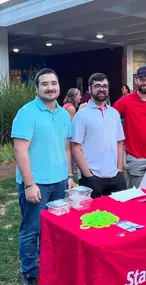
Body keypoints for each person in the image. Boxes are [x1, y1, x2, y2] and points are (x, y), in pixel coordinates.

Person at [11, 68, 75, 285]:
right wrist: (29, 184)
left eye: (53, 83)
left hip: (59, 183)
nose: (50, 87)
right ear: (37, 88)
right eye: (45, 84)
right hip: (36, 184)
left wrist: (68, 176)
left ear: (59, 86)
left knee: (55, 228)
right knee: (32, 231)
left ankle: (50, 267)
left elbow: (66, 148)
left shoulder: (65, 114)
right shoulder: (26, 113)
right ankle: (30, 274)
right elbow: (20, 151)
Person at [72, 73, 126, 198]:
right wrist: (88, 174)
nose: (102, 89)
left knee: (119, 213)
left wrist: (119, 169)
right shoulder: (81, 115)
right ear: (90, 89)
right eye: (97, 86)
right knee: (91, 216)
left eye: (105, 86)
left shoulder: (114, 113)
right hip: (92, 175)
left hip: (115, 175)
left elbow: (119, 143)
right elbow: (76, 148)